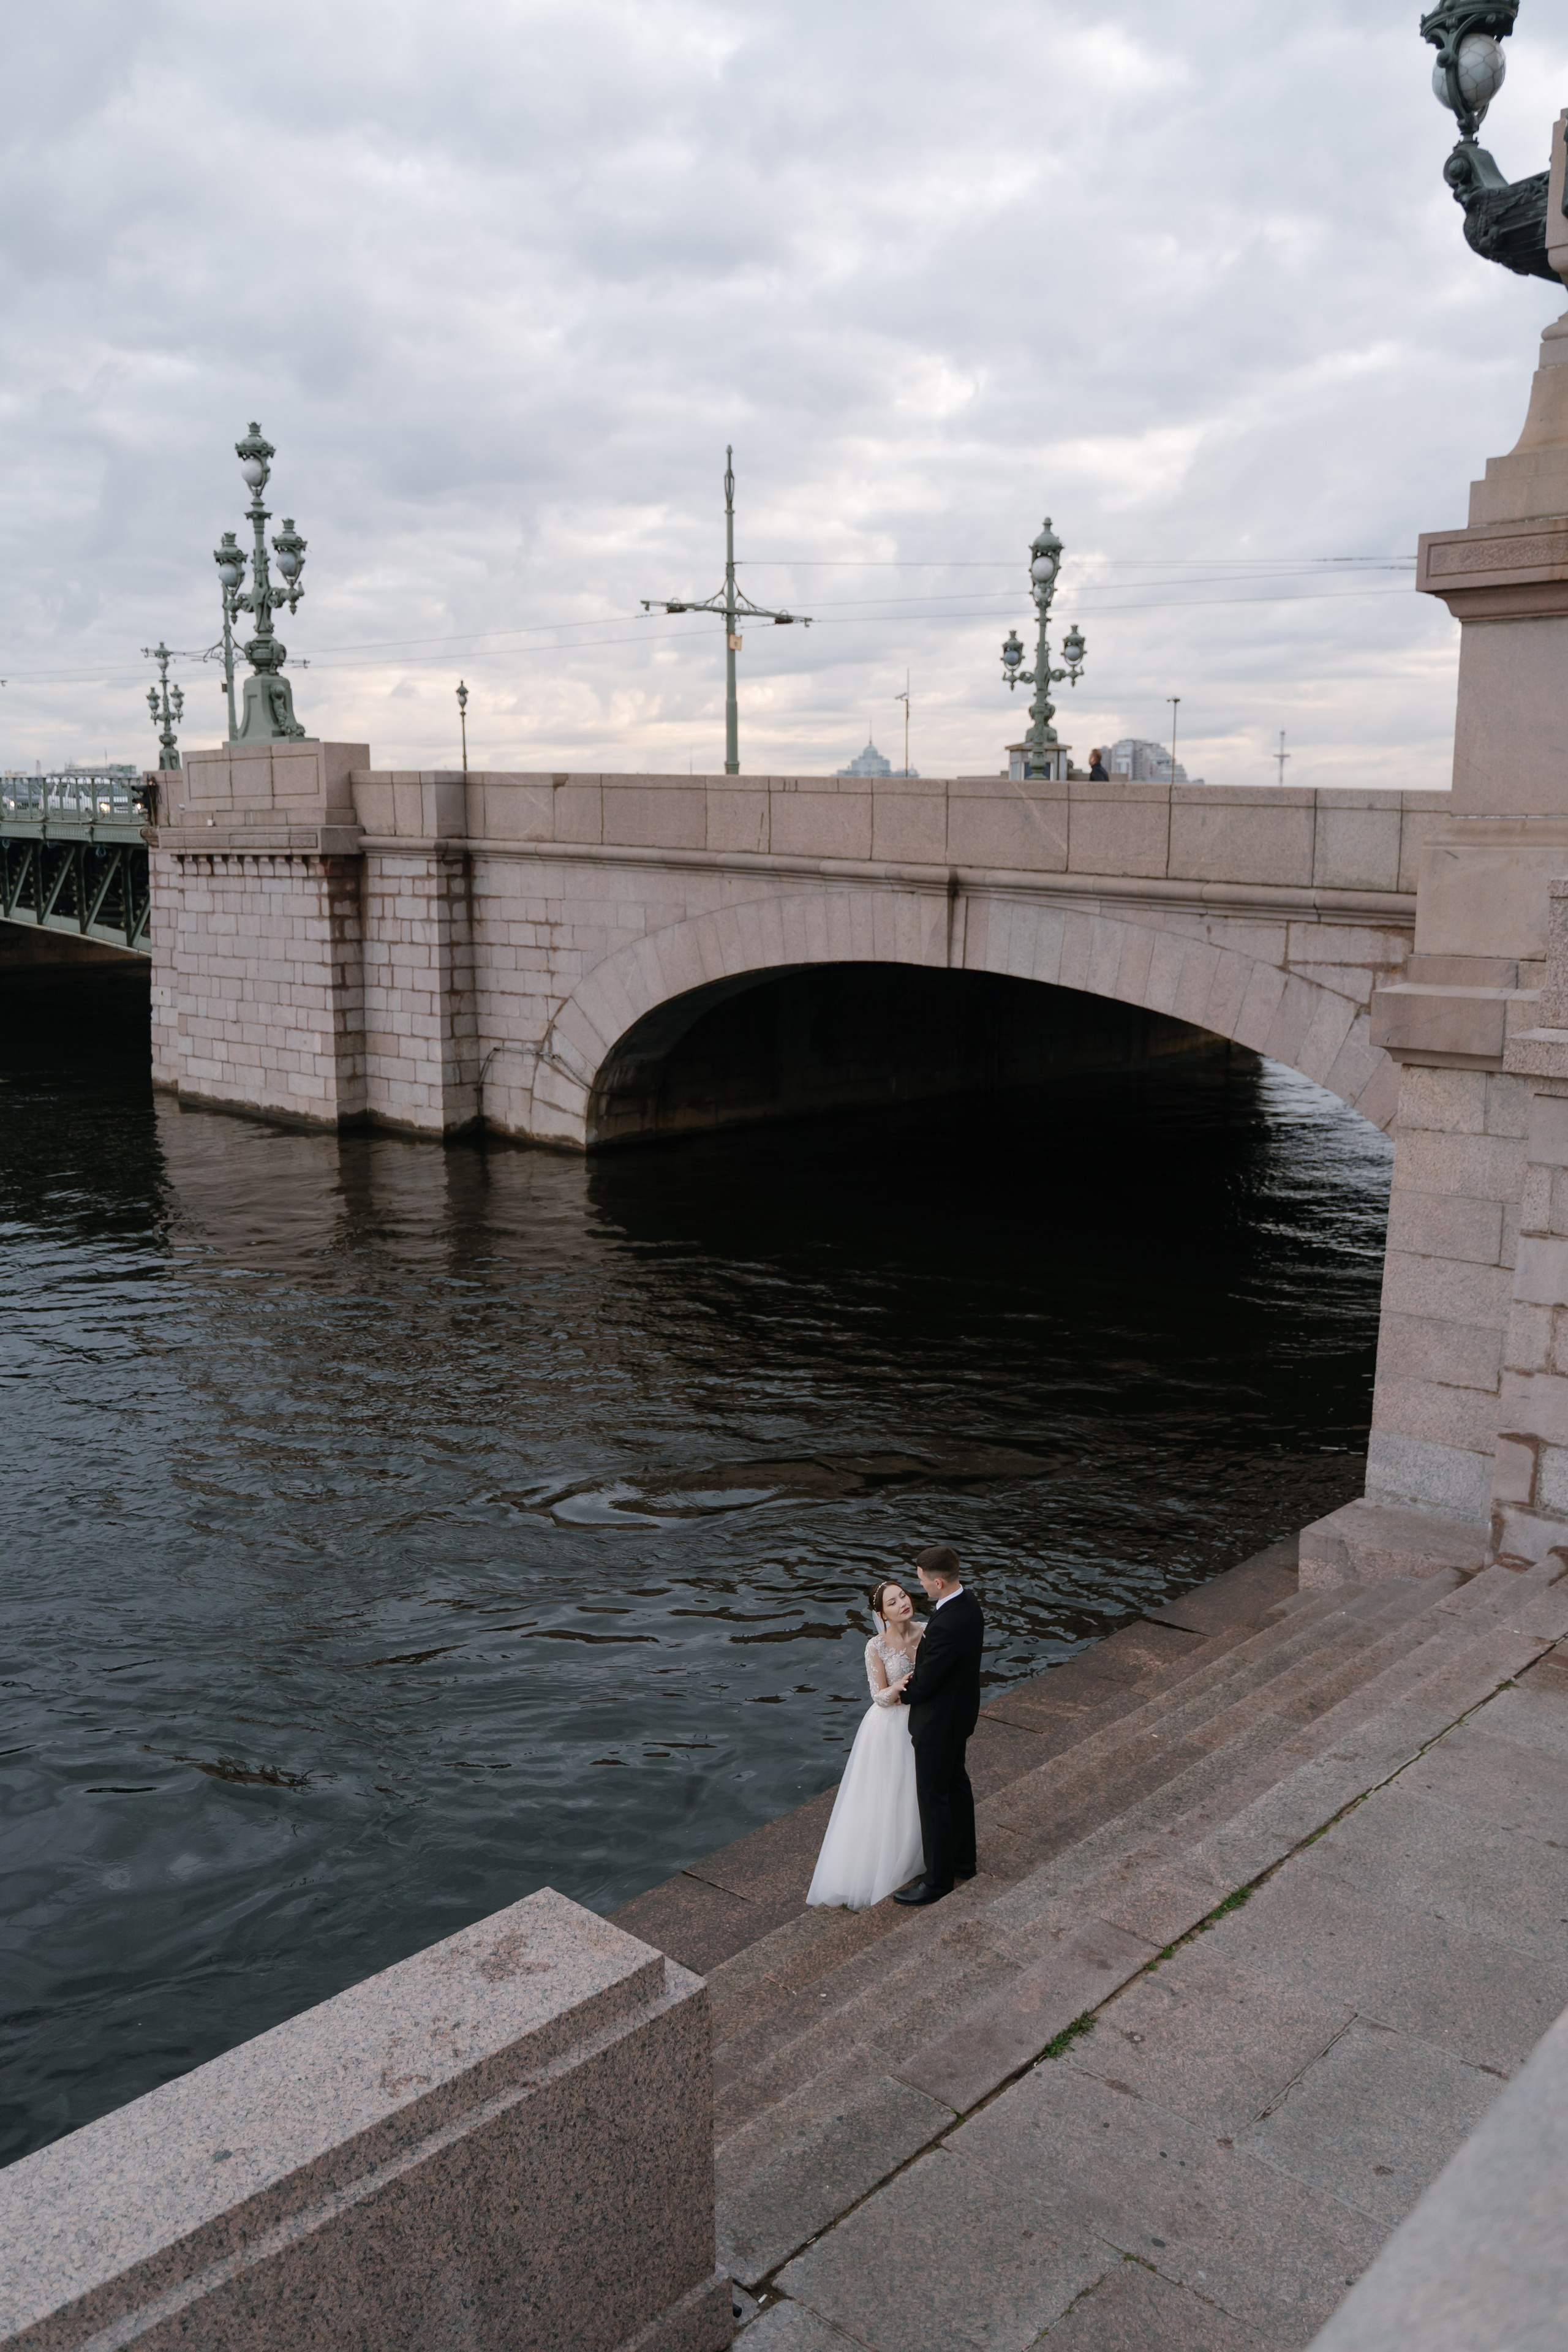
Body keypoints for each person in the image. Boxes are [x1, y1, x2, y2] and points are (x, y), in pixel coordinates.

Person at [805, 1580, 925, 1910]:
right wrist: (898, 1687)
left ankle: (919, 1852)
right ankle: (887, 1862)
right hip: (890, 1727)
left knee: (918, 1790)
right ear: (881, 1614)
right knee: (889, 1793)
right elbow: (879, 1696)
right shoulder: (876, 1646)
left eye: (903, 1596)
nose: (902, 1603)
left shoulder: (928, 1631)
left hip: (924, 1718)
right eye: (892, 1602)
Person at [892, 1544, 984, 1906]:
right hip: (960, 1715)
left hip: (938, 1723)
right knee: (957, 1786)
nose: (920, 1586)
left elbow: (927, 1682)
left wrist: (901, 1691)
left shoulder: (946, 1623)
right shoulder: (969, 1603)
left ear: (939, 1582)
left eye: (922, 1580)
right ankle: (964, 1862)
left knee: (934, 1799)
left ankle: (938, 1880)